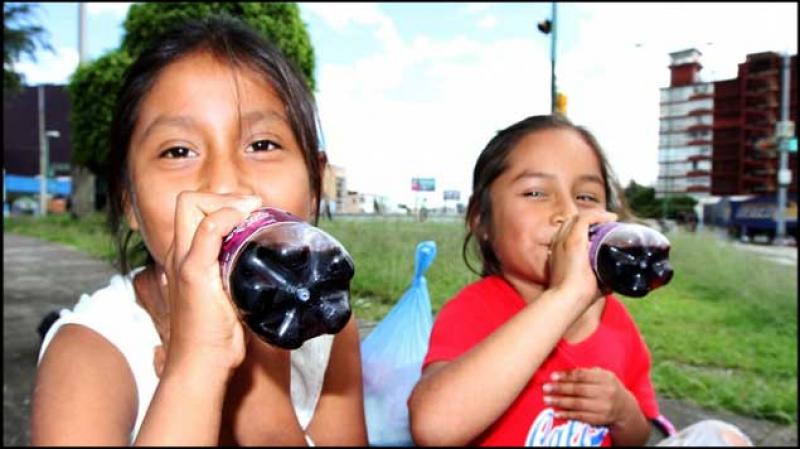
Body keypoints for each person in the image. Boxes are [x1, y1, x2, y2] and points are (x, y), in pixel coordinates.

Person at [30, 16, 366, 446]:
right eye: (178, 151)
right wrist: (196, 369)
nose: (224, 185)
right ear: (129, 201)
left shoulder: (328, 323)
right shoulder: (90, 350)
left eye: (262, 145)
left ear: (316, 185)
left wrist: (260, 406)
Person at [407, 115, 752, 447]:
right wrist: (565, 295)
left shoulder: (617, 324)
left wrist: (621, 411)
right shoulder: (476, 309)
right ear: (481, 220)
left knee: (722, 435)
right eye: (535, 193)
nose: (569, 213)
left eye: (586, 197)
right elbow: (433, 428)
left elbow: (637, 436)